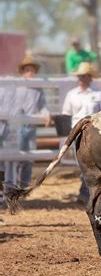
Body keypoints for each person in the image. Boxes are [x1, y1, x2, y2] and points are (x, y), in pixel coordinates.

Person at [62, 62, 101, 203]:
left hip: (94, 133)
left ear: (90, 77)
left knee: (91, 164)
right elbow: (66, 114)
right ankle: (87, 193)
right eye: (81, 75)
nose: (83, 78)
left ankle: (86, 193)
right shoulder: (71, 94)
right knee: (83, 164)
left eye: (86, 75)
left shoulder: (98, 94)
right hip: (77, 132)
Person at [13, 56, 51, 188]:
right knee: (17, 157)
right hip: (16, 126)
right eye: (27, 69)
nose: (30, 72)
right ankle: (13, 184)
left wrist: (46, 114)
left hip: (31, 126)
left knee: (29, 157)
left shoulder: (37, 88)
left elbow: (42, 105)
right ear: (23, 71)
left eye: (32, 69)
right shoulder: (17, 86)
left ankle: (23, 186)